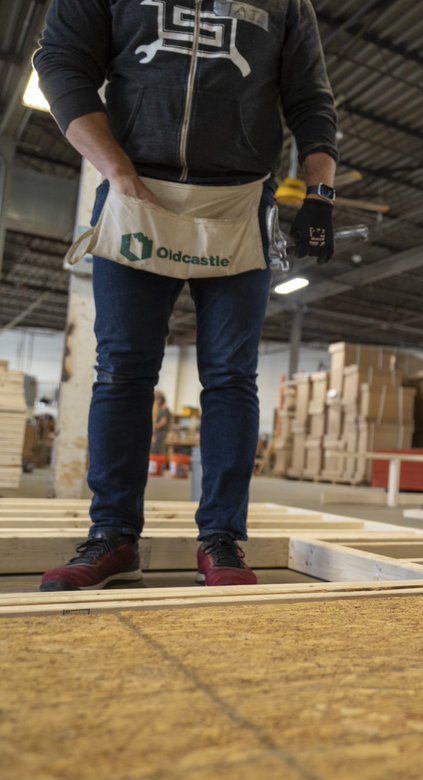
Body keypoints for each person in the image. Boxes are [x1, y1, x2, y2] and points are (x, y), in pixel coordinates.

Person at [36, 0, 337, 591]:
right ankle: (113, 537)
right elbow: (63, 65)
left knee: (230, 376)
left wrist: (319, 190)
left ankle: (222, 539)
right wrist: (117, 173)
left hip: (238, 200)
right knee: (122, 371)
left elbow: (310, 99)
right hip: (133, 189)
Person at [150, 390, 171, 457]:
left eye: (157, 399)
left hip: (162, 433)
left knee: (160, 448)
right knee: (154, 448)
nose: (156, 401)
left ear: (161, 399)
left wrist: (155, 426)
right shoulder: (158, 408)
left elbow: (164, 421)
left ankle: (160, 462)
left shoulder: (165, 409)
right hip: (158, 432)